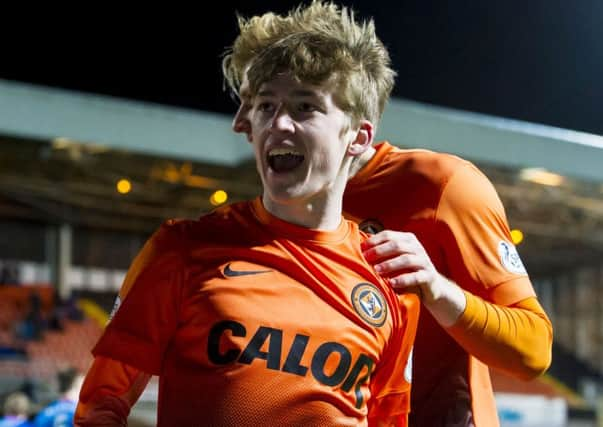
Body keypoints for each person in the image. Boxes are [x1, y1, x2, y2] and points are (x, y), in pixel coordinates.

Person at [74, 6, 419, 426]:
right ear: (248, 123)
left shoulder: (389, 282)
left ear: (358, 137)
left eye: (305, 106)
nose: (280, 124)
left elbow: (388, 419)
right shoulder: (183, 250)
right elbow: (101, 404)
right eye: (266, 106)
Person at [226, 2, 554, 426]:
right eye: (259, 103)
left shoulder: (442, 186)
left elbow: (534, 350)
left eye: (300, 105)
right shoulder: (282, 202)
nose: (243, 121)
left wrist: (436, 289)